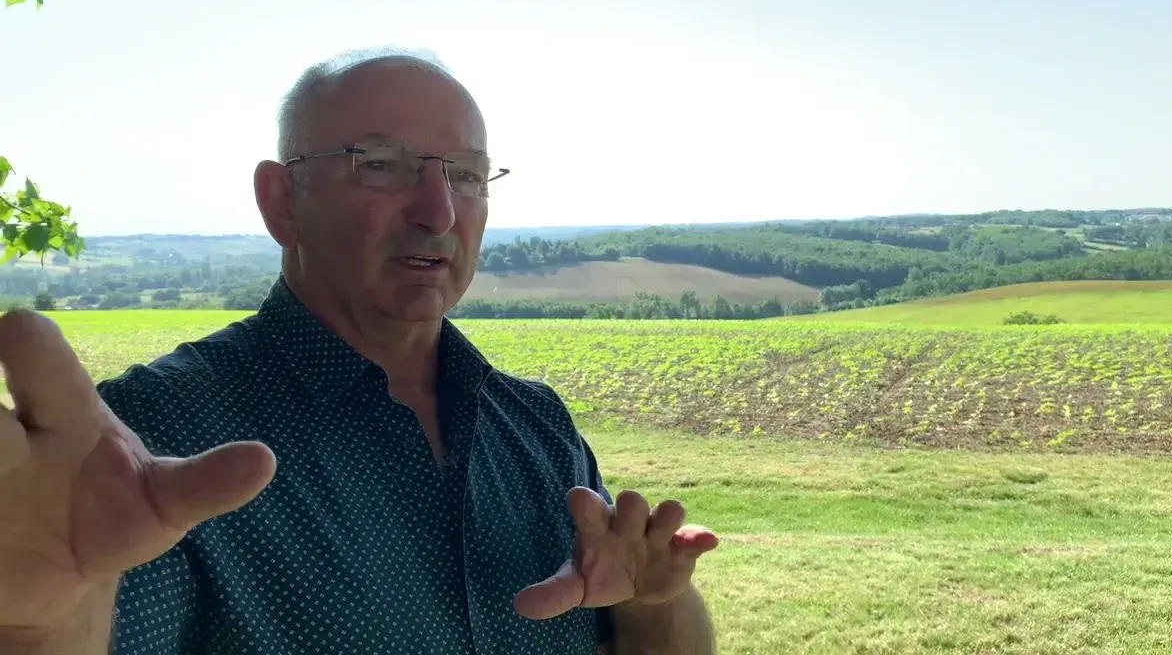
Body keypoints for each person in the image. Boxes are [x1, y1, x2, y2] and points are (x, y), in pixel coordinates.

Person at [0, 49, 719, 654]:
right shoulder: (154, 441)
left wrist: (653, 604)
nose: (438, 212)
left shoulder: (535, 425)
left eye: (467, 175)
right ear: (282, 201)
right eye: (379, 165)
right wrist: (37, 625)